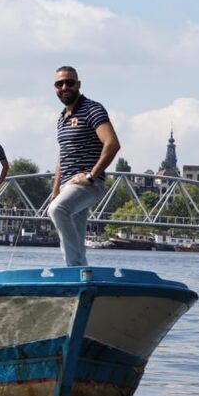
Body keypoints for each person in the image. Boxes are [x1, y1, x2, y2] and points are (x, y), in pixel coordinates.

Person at [47, 66, 121, 266]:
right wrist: (56, 189)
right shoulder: (61, 118)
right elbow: (63, 155)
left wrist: (91, 176)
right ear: (54, 88)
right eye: (59, 84)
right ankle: (81, 276)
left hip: (86, 184)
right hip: (67, 185)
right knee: (75, 235)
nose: (64, 87)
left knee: (56, 210)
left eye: (69, 83)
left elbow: (112, 144)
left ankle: (73, 269)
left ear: (78, 84)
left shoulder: (92, 109)